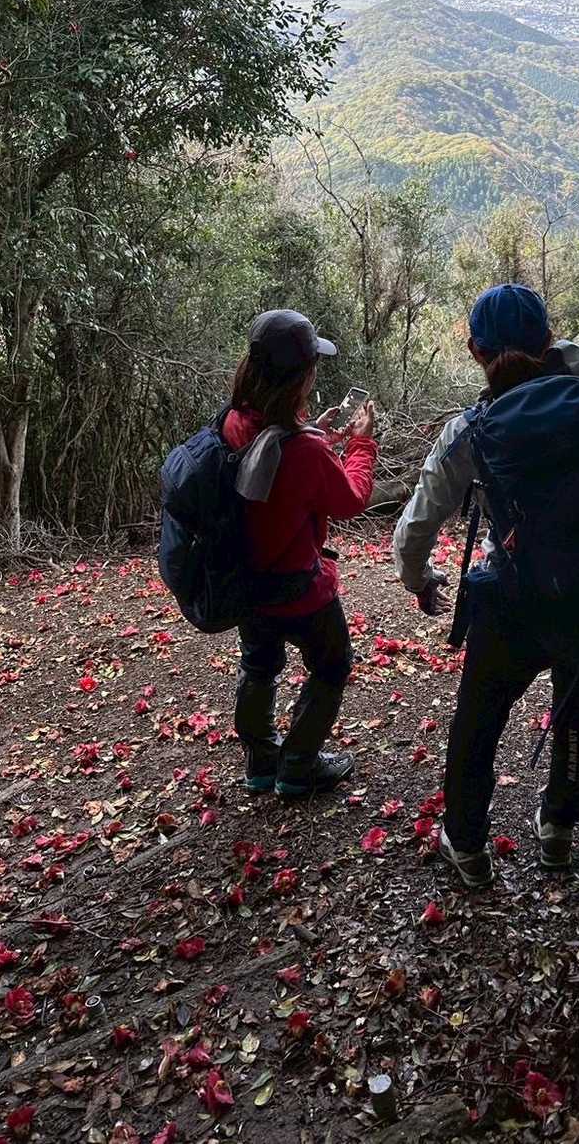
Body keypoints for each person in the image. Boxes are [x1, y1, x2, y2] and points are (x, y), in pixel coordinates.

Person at [392, 284, 579, 886]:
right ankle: (558, 831)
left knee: (480, 719)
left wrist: (420, 579)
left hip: (516, 601)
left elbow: (413, 530)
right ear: (548, 339)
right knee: (578, 709)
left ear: (475, 350)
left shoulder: (469, 431)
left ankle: (468, 845)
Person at [222, 309, 377, 798]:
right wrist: (361, 445)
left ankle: (261, 762)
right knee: (332, 666)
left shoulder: (235, 422)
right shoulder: (304, 449)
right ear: (303, 376)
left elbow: (275, 469)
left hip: (248, 585)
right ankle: (298, 766)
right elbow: (350, 499)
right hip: (302, 589)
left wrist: (315, 433)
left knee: (258, 667)